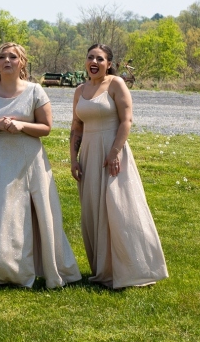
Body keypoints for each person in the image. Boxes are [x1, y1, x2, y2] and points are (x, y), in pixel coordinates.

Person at [0, 42, 81, 288]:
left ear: (22, 62)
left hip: (29, 161)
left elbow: (46, 128)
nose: (7, 60)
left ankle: (45, 267)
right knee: (0, 214)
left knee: (35, 214)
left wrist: (22, 126)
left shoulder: (35, 91)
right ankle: (5, 269)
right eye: (2, 57)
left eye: (13, 57)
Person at [70, 43, 168, 288]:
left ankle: (135, 267)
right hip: (90, 154)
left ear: (109, 63)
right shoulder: (80, 90)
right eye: (90, 57)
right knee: (93, 209)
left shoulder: (116, 84)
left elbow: (126, 121)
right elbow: (76, 127)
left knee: (120, 208)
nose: (94, 62)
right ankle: (104, 269)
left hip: (113, 153)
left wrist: (114, 153)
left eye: (100, 59)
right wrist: (73, 159)